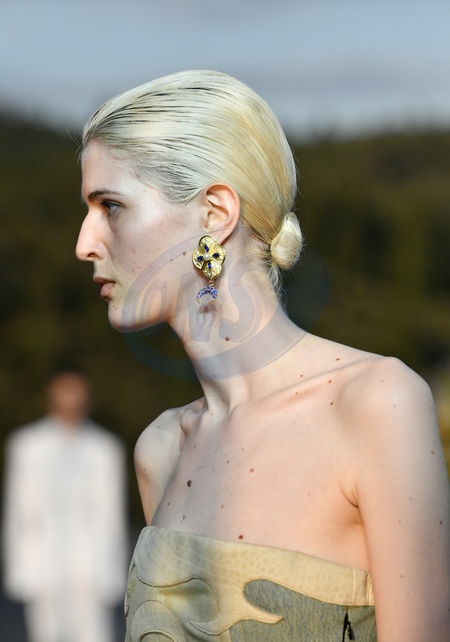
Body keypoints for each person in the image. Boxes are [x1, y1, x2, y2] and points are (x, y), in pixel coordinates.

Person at [75, 70, 450, 641]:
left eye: (111, 206)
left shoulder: (375, 404)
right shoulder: (162, 449)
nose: (85, 243)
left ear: (214, 213)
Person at [2, 370, 128, 642]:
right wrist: (18, 568)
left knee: (94, 632)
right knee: (45, 631)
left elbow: (112, 514)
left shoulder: (104, 448)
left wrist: (113, 571)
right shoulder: (27, 446)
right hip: (42, 555)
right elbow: (16, 511)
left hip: (91, 558)